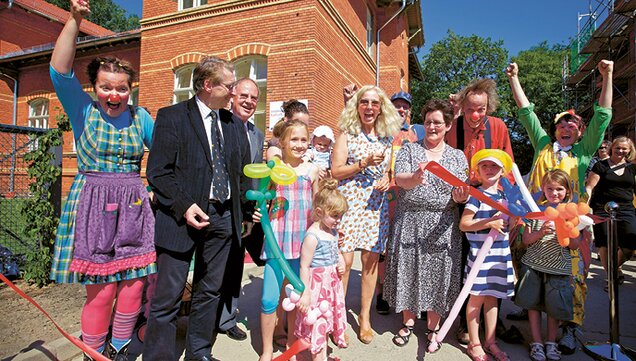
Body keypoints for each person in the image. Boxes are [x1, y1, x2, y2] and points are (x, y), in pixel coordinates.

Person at [48, 1, 156, 359]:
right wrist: (75, 19)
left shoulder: (141, 118)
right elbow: (60, 72)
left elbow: (168, 153)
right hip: (94, 203)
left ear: (131, 89)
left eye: (122, 89)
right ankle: (92, 353)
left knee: (133, 284)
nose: (114, 95)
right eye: (106, 87)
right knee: (102, 289)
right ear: (94, 87)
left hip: (134, 205)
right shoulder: (83, 111)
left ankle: (122, 347)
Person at [144, 56, 250, 361]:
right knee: (167, 299)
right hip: (181, 220)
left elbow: (239, 173)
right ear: (208, 85)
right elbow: (159, 172)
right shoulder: (172, 117)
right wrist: (185, 205)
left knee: (209, 293)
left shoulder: (232, 124)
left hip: (222, 220)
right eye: (229, 86)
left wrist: (243, 213)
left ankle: (198, 354)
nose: (233, 93)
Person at [506, 60, 613, 355]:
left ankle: (570, 328)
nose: (567, 127)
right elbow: (526, 113)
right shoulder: (542, 144)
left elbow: (602, 116)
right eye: (562, 124)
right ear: (554, 130)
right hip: (533, 221)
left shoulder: (583, 151)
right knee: (527, 269)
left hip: (568, 225)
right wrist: (515, 78)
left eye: (573, 124)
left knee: (572, 276)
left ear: (580, 132)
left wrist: (609, 76)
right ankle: (529, 309)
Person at [384, 99, 469, 351]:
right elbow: (399, 180)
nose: (432, 127)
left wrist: (460, 197)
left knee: (439, 274)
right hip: (409, 219)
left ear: (447, 125)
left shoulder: (457, 156)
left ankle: (433, 328)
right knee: (408, 270)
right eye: (428, 122)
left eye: (437, 123)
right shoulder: (410, 150)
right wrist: (415, 177)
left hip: (443, 224)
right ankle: (408, 323)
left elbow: (458, 192)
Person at [331, 85, 402, 344]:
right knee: (345, 263)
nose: (369, 107)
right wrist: (361, 164)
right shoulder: (346, 135)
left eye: (374, 103)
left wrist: (387, 177)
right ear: (357, 106)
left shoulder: (387, 138)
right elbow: (336, 171)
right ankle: (338, 319)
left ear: (381, 108)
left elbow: (391, 172)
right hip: (349, 205)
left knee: (371, 263)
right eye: (364, 102)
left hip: (376, 206)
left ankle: (365, 318)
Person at [255, 119, 319, 361]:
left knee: (293, 298)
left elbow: (317, 206)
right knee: (269, 297)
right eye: (294, 139)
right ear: (282, 143)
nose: (300, 144)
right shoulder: (275, 168)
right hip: (277, 241)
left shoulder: (312, 170)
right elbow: (263, 197)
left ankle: (291, 343)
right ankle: (267, 350)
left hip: (301, 243)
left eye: (304, 139)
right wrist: (258, 210)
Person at [217, 77, 265, 342]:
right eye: (243, 96)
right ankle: (217, 318)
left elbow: (255, 175)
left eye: (254, 98)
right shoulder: (220, 126)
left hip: (250, 212)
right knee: (222, 267)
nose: (248, 102)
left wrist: (257, 206)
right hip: (224, 209)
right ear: (232, 97)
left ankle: (227, 318)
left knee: (245, 264)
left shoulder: (257, 134)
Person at [516, 170, 581, 361]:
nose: (554, 193)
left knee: (554, 309)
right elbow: (526, 240)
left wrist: (567, 231)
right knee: (532, 306)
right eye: (550, 188)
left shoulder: (571, 213)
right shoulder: (534, 211)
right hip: (533, 266)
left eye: (559, 189)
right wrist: (541, 232)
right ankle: (536, 343)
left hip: (559, 269)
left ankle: (551, 343)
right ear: (543, 189)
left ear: (567, 191)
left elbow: (576, 246)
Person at [459, 149, 515, 361]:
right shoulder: (476, 196)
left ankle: (491, 341)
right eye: (485, 166)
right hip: (480, 256)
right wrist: (488, 222)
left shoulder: (506, 196)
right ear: (478, 171)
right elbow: (464, 225)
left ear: (502, 171)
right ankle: (474, 343)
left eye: (494, 166)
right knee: (476, 300)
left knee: (493, 299)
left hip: (499, 255)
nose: (490, 170)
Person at [295, 178, 349, 361]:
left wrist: (340, 261)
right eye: (335, 216)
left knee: (326, 321)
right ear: (319, 212)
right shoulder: (313, 236)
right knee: (318, 321)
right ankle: (318, 356)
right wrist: (305, 294)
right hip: (317, 288)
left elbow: (336, 251)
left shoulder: (332, 231)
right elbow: (304, 265)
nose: (338, 220)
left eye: (340, 216)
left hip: (331, 285)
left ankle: (322, 355)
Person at [586, 136, 636, 286]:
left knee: (630, 245)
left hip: (626, 208)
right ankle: (611, 277)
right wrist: (585, 205)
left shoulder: (632, 167)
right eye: (618, 147)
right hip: (603, 207)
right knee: (605, 243)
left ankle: (615, 268)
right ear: (611, 148)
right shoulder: (600, 166)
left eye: (624, 148)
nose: (620, 151)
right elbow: (590, 187)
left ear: (629, 150)